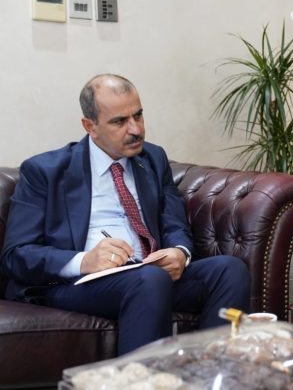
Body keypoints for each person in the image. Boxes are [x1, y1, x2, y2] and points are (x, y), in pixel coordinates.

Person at [0, 74, 251, 355]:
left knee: (229, 270)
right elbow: (16, 254)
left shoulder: (153, 159)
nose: (136, 129)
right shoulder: (44, 171)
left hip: (147, 274)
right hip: (78, 284)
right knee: (150, 280)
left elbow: (174, 223)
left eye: (138, 115)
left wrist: (180, 252)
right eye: (119, 122)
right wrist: (84, 260)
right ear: (90, 126)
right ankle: (140, 377)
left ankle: (213, 372)